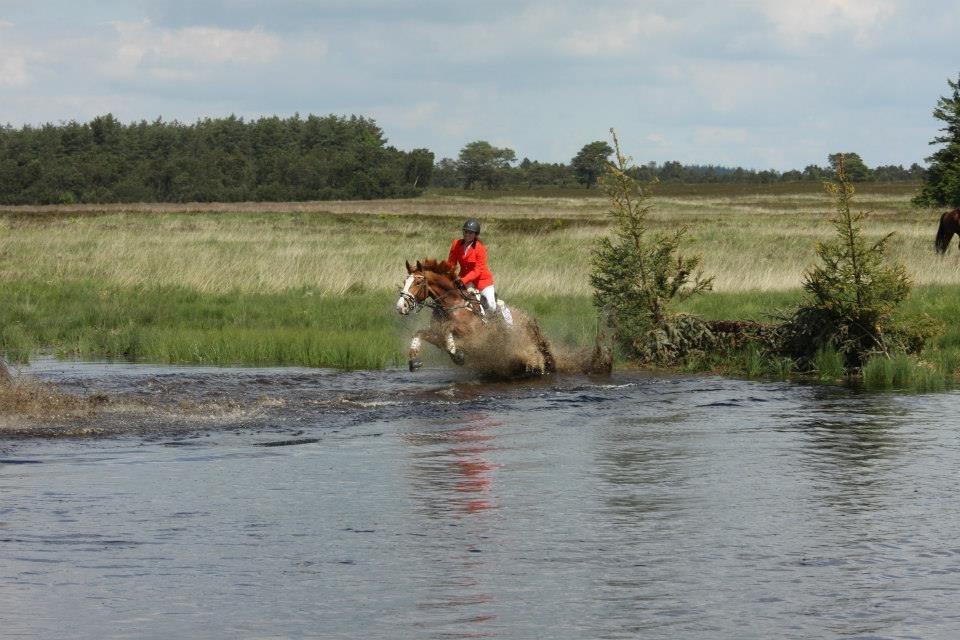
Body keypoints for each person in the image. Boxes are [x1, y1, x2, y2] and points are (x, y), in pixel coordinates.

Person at [447, 218, 513, 326]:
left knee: (491, 305)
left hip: (482, 281)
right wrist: (449, 276)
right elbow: (451, 264)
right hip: (464, 279)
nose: (467, 234)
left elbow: (477, 270)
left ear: (475, 234)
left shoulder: (479, 248)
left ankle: (502, 315)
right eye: (465, 231)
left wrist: (463, 280)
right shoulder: (456, 244)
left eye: (470, 232)